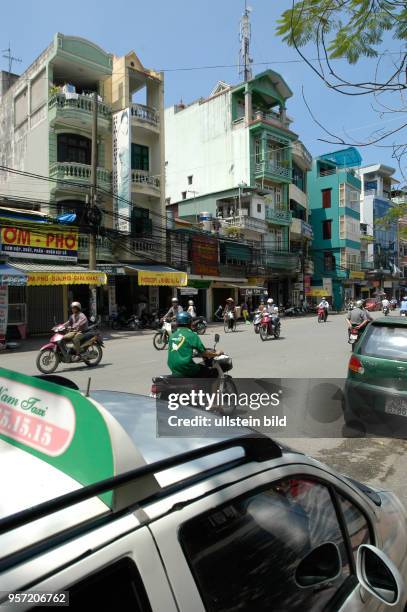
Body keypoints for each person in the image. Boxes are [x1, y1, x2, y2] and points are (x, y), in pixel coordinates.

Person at [167, 312, 223, 377]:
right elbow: (204, 353)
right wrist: (217, 353)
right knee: (213, 372)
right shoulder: (191, 335)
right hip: (187, 367)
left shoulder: (172, 335)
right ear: (189, 323)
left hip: (173, 367)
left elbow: (179, 349)